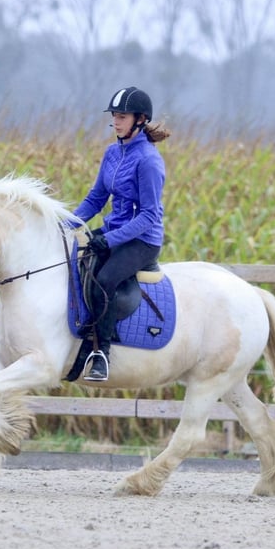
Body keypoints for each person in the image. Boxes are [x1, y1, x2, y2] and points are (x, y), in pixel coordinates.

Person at [71, 86, 171, 382]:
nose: (116, 120)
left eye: (122, 116)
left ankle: (101, 354)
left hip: (142, 240)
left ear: (140, 119)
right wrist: (67, 222)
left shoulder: (149, 161)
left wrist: (110, 240)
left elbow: (149, 215)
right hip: (114, 231)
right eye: (114, 115)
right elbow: (96, 198)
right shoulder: (112, 153)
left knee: (105, 279)